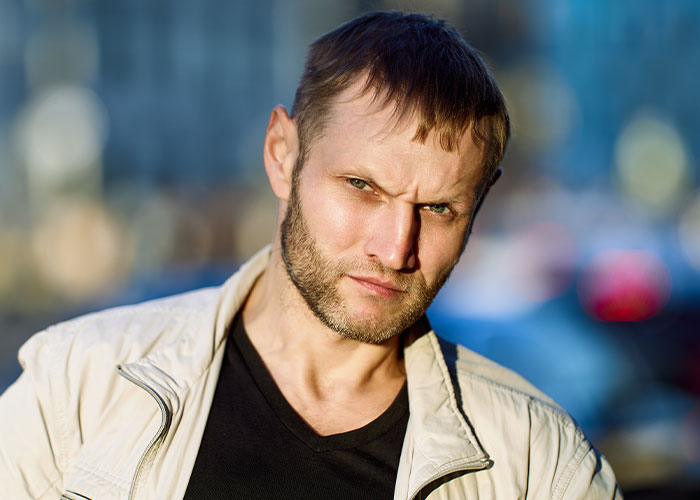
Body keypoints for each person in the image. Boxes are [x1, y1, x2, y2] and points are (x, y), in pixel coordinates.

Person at [0, 11, 621, 500]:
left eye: (438, 210)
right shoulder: (78, 387)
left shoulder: (539, 464)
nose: (395, 248)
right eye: (362, 187)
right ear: (282, 155)